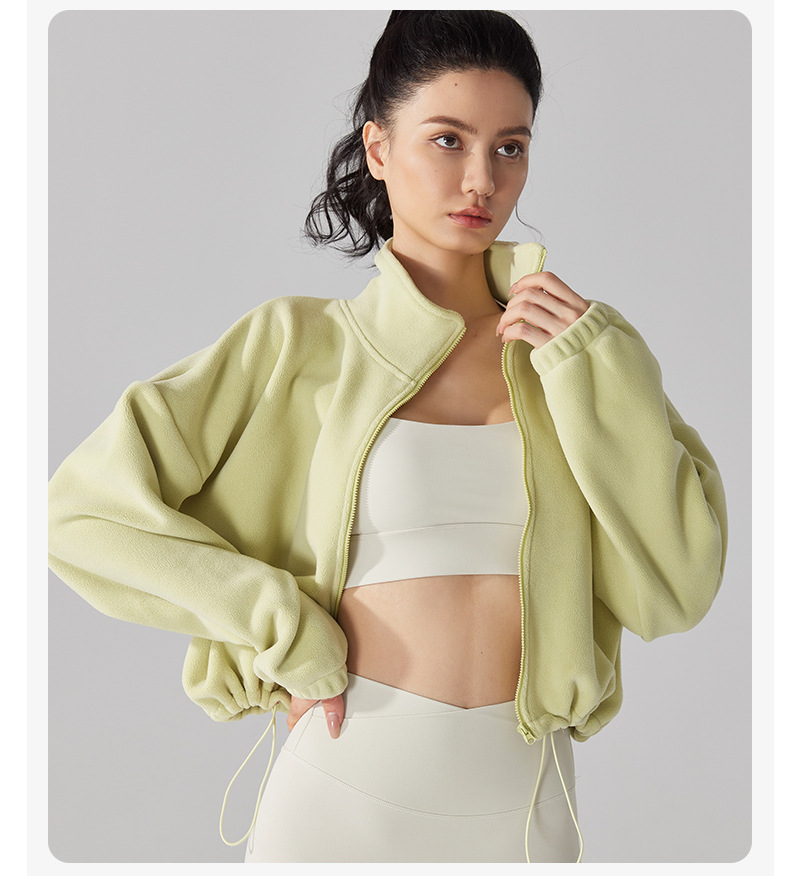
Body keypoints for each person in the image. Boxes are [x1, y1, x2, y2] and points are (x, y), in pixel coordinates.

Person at [47, 10, 727, 864]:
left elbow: (680, 588)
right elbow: (81, 515)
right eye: (448, 140)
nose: (482, 179)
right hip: (340, 793)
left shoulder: (580, 353)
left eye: (510, 147)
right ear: (378, 147)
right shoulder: (296, 347)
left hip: (525, 811)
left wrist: (595, 366)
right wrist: (281, 626)